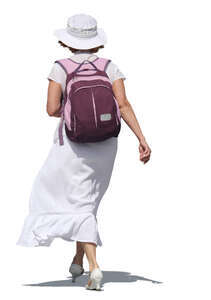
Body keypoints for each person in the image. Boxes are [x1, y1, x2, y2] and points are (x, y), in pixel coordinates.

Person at [16, 13, 151, 291]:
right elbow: (123, 105)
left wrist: (73, 109)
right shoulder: (109, 66)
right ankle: (77, 259)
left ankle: (94, 267)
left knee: (72, 201)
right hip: (106, 145)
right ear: (97, 42)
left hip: (74, 144)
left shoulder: (60, 68)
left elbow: (52, 109)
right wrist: (142, 138)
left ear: (67, 41)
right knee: (87, 202)